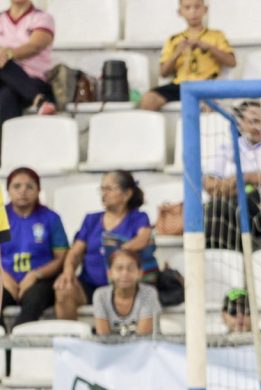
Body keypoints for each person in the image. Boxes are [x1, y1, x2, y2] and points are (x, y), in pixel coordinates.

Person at [55, 171, 155, 322]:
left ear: (127, 194)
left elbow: (143, 239)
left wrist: (116, 251)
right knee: (63, 290)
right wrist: (68, 271)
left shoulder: (138, 218)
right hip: (90, 284)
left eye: (110, 189)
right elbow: (75, 252)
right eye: (102, 189)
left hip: (123, 285)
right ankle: (70, 341)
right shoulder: (91, 220)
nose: (104, 194)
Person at [203, 100, 261, 250]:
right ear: (240, 123)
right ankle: (223, 255)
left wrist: (244, 178)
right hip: (235, 205)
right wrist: (237, 187)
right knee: (216, 207)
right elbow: (209, 184)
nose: (259, 126)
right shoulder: (226, 148)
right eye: (253, 121)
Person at [0, 167, 67, 329]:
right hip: (5, 278)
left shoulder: (50, 218)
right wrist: (4, 277)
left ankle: (17, 347)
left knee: (34, 301)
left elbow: (61, 257)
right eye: (17, 186)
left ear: (38, 190)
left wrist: (35, 275)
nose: (23, 191)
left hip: (40, 281)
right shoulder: (2, 217)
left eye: (29, 187)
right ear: (8, 190)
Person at [140, 0, 235, 112]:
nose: (193, 12)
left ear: (205, 10)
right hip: (181, 85)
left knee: (210, 106)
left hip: (207, 84)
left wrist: (209, 47)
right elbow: (163, 73)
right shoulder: (173, 39)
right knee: (148, 100)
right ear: (180, 12)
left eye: (197, 7)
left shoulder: (217, 35)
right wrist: (177, 53)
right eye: (187, 8)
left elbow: (232, 62)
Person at [0, 0, 55, 131]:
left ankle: (7, 149)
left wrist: (8, 53)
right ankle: (38, 99)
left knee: (7, 95)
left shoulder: (42, 18)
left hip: (33, 78)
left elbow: (35, 46)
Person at [92, 249, 160, 337]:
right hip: (109, 350)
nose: (125, 273)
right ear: (109, 273)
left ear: (140, 273)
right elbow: (103, 337)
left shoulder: (149, 294)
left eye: (131, 268)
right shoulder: (100, 295)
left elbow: (142, 339)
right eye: (119, 268)